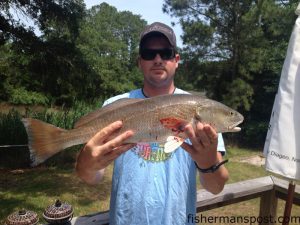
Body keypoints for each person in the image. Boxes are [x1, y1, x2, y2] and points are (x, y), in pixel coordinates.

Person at [75, 22, 229, 225]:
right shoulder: (113, 106)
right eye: (149, 53)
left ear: (176, 60)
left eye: (165, 53)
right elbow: (91, 177)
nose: (157, 59)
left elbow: (216, 188)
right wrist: (85, 163)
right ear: (140, 61)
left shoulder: (199, 112)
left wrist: (209, 163)